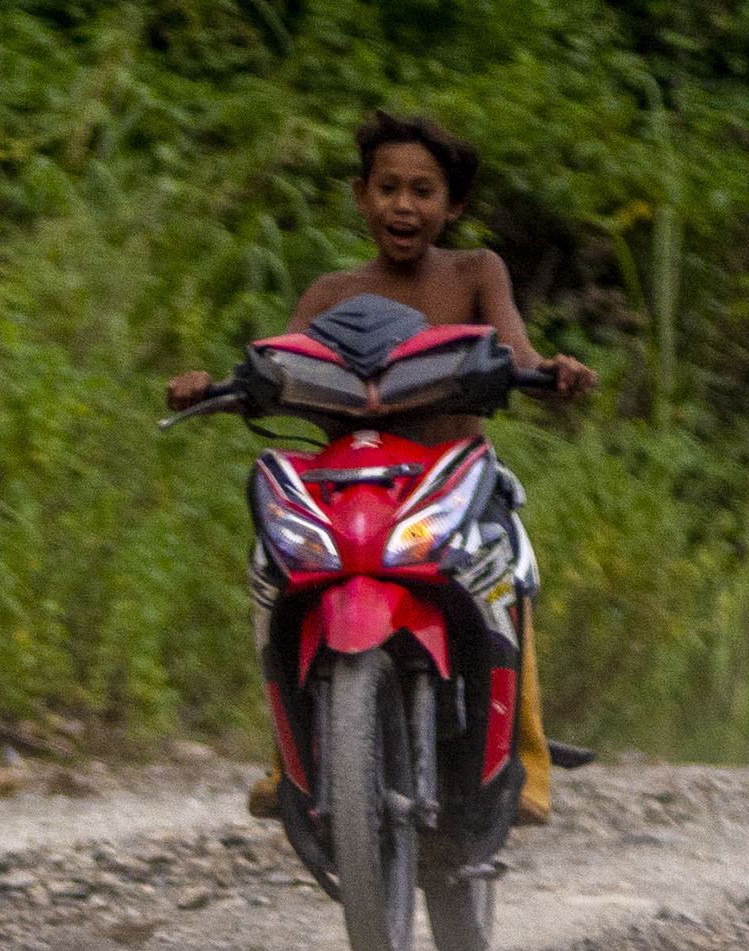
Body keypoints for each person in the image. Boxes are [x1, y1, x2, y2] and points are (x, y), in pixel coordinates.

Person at [166, 110, 596, 823]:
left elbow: (518, 354)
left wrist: (552, 372)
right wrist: (212, 385)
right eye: (389, 187)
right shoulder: (332, 293)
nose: (405, 204)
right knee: (272, 571)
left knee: (509, 566)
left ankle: (528, 761)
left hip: (448, 481)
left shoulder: (475, 271)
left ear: (452, 205)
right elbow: (280, 364)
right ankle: (289, 756)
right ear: (362, 196)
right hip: (349, 486)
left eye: (423, 191)